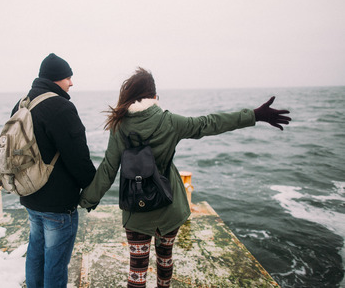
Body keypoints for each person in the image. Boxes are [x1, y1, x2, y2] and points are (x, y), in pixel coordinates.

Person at [79, 67, 291, 288]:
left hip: (136, 208)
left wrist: (88, 199)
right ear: (153, 96)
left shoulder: (119, 125)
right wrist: (255, 115)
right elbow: (209, 123)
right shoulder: (169, 121)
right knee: (165, 259)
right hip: (170, 206)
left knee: (137, 269)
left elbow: (108, 169)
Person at [11, 53, 96, 288]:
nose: (71, 82)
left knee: (36, 253)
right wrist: (93, 188)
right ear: (57, 78)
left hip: (29, 195)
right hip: (58, 204)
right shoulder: (61, 107)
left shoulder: (22, 103)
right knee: (56, 263)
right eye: (68, 77)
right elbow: (78, 157)